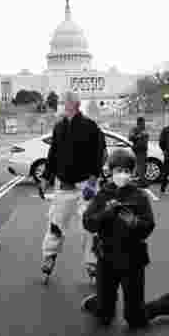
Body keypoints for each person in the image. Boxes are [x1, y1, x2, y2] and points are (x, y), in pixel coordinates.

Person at [81, 148, 169, 327]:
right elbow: (88, 223)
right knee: (104, 316)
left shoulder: (139, 196)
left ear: (132, 173)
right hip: (106, 258)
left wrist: (134, 222)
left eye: (126, 171)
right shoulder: (103, 195)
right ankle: (101, 301)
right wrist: (105, 213)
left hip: (132, 260)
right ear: (111, 172)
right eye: (118, 171)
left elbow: (148, 227)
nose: (122, 175)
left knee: (135, 318)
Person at [41, 91, 106, 283]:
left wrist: (93, 181)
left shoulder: (90, 126)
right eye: (63, 101)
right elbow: (53, 155)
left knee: (89, 228)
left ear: (75, 105)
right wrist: (46, 178)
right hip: (64, 186)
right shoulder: (59, 127)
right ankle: (49, 257)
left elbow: (99, 154)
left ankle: (92, 263)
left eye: (66, 102)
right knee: (55, 224)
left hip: (86, 185)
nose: (63, 104)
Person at [129, 116, 150, 187]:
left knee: (143, 166)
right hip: (138, 150)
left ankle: (141, 180)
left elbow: (146, 137)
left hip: (144, 150)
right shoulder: (135, 129)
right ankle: (142, 182)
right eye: (143, 123)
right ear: (139, 123)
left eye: (144, 123)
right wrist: (139, 136)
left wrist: (144, 136)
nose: (144, 124)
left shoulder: (144, 129)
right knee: (140, 166)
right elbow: (130, 137)